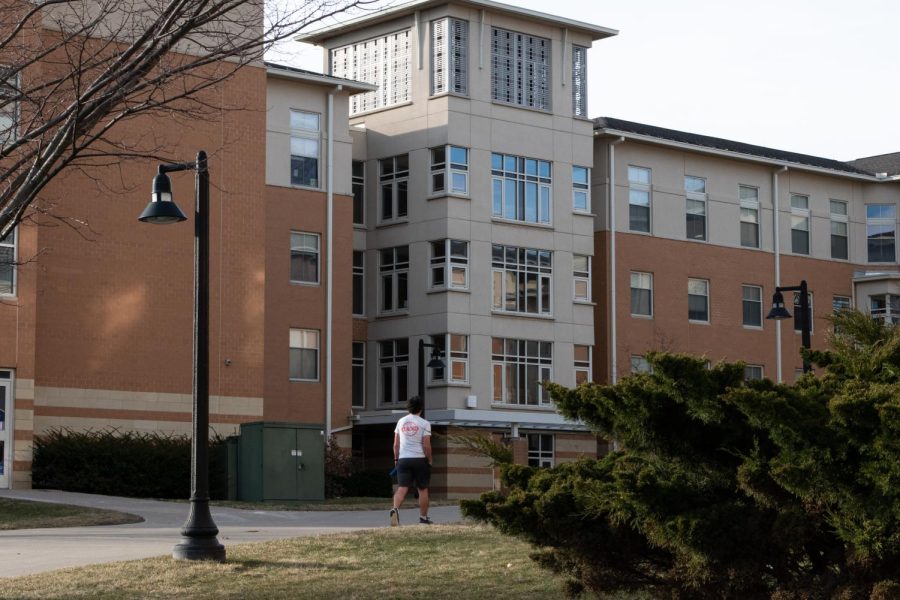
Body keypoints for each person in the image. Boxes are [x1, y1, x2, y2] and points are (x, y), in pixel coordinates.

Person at [390, 395, 433, 526]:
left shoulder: (401, 422)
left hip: (403, 459)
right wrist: (430, 460)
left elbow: (396, 444)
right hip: (419, 459)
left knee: (402, 488)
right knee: (422, 489)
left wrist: (396, 459)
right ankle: (423, 518)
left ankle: (395, 509)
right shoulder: (425, 423)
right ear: (421, 408)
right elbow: (426, 445)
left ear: (408, 407)